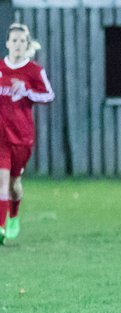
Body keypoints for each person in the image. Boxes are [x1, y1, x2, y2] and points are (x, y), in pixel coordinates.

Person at [0, 23, 55, 245]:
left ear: (27, 44)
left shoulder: (34, 71)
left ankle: (13, 215)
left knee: (14, 184)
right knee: (1, 180)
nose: (18, 44)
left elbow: (48, 96)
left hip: (22, 137)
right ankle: (1, 227)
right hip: (1, 136)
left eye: (22, 41)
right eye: (14, 40)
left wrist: (27, 92)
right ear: (7, 44)